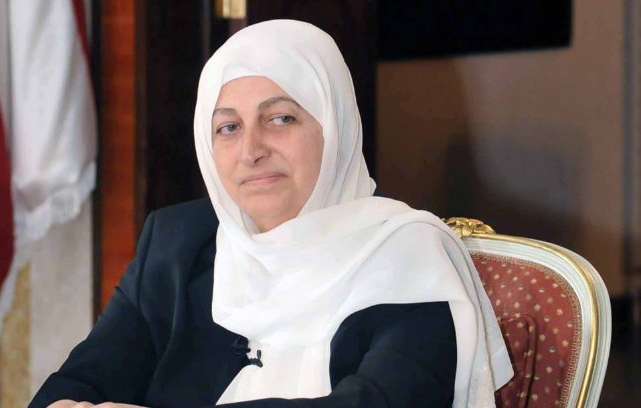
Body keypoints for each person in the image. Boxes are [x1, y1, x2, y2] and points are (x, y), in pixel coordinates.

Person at [29, 20, 513, 408]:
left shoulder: (407, 256)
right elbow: (77, 383)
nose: (251, 150)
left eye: (281, 118)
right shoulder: (176, 244)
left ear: (335, 127)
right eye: (228, 127)